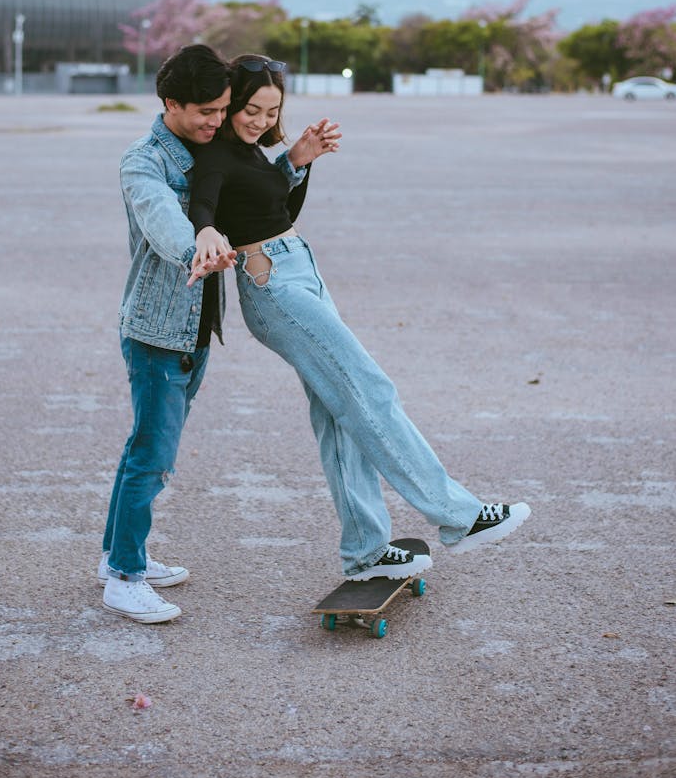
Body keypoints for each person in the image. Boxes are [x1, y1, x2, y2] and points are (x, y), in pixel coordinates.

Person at [187, 54, 531, 581]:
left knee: (339, 417)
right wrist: (205, 230)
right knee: (370, 389)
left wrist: (299, 161)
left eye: (270, 110)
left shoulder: (255, 153)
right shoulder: (216, 156)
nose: (259, 119)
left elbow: (276, 211)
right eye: (250, 108)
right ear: (231, 100)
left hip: (299, 272)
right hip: (272, 286)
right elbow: (205, 206)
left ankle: (366, 552)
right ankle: (458, 516)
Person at [99, 44, 307, 624]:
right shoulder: (145, 161)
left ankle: (119, 553)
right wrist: (199, 242)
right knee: (152, 456)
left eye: (223, 110)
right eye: (205, 113)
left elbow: (254, 195)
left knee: (144, 449)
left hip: (194, 328)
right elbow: (161, 215)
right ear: (170, 103)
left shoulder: (208, 148)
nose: (218, 122)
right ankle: (123, 576)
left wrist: (294, 162)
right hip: (157, 331)